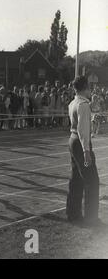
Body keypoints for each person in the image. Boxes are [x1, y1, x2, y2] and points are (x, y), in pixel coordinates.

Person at [66, 75, 101, 226]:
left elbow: (80, 125)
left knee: (76, 180)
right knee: (92, 180)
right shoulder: (83, 104)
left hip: (72, 140)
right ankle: (91, 218)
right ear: (86, 87)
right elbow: (83, 129)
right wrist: (87, 150)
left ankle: (73, 213)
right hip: (80, 143)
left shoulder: (73, 102)